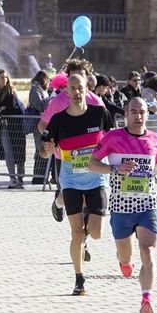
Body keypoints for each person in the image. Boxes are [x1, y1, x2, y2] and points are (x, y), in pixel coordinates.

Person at [90, 95, 157, 313]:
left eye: (142, 112)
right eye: (133, 112)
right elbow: (92, 164)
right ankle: (124, 262)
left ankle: (146, 300)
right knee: (126, 258)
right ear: (125, 114)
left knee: (148, 252)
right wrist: (116, 168)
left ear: (148, 115)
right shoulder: (113, 137)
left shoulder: (155, 139)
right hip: (121, 207)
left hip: (148, 204)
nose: (138, 117)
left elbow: (153, 169)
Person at [39, 70, 113, 297]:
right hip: (70, 179)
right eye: (72, 88)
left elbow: (114, 139)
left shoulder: (99, 113)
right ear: (66, 92)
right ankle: (79, 279)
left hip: (96, 177)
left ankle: (63, 204)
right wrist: (47, 150)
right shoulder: (59, 120)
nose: (76, 92)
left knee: (96, 232)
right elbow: (42, 151)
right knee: (77, 233)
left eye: (80, 88)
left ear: (86, 89)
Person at [0, 69, 28, 188]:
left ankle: (20, 177)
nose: (4, 79)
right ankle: (12, 177)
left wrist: (0, 109)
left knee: (19, 150)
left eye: (5, 77)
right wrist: (1, 109)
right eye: (1, 77)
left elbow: (11, 107)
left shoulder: (10, 91)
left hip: (15, 125)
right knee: (8, 151)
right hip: (3, 126)